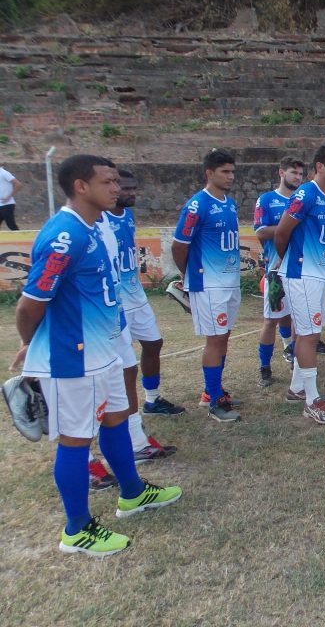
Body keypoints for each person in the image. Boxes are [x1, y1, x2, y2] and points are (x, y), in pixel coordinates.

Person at [13, 154, 181, 556]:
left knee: (116, 418)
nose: (117, 189)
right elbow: (29, 303)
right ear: (81, 187)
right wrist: (32, 343)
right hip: (73, 356)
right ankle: (77, 530)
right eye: (107, 182)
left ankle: (133, 493)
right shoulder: (63, 236)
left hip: (105, 348)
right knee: (75, 439)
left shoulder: (96, 226)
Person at [104, 168, 181, 464]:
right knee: (125, 368)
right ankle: (132, 435)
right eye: (124, 187)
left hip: (135, 295)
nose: (130, 192)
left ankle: (152, 400)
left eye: (132, 187)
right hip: (115, 303)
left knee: (154, 344)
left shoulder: (127, 216)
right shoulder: (98, 221)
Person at [272, 145, 325, 422]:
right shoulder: (306, 193)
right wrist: (288, 262)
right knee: (309, 334)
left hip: (321, 273)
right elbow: (281, 232)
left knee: (311, 331)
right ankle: (312, 400)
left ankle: (296, 389)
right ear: (319, 167)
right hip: (302, 274)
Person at [171, 149, 242, 422]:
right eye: (225, 172)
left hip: (230, 282)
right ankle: (214, 401)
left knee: (223, 337)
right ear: (209, 173)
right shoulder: (197, 205)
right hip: (209, 284)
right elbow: (179, 246)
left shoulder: (229, 202)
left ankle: (212, 391)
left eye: (232, 171)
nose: (230, 177)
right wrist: (188, 276)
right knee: (215, 340)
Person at [253, 157, 305, 387]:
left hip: (299, 268)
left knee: (296, 318)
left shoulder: (303, 199)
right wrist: (287, 227)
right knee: (270, 320)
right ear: (281, 173)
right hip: (275, 270)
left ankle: (292, 354)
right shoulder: (266, 200)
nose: (298, 177)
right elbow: (261, 231)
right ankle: (264, 366)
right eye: (294, 173)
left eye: (301, 174)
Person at [0, 165, 23, 230]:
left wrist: (9, 197)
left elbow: (18, 184)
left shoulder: (4, 173)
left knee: (11, 225)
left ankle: (21, 239)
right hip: (1, 205)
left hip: (7, 205)